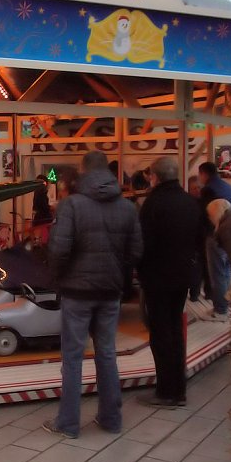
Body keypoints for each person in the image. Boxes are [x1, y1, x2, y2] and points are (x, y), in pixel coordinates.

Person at [44, 151, 143, 439]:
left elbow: (59, 250)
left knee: (73, 357)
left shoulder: (71, 205)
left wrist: (58, 279)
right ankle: (111, 419)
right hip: (110, 290)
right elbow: (136, 252)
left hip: (77, 291)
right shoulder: (127, 207)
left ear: (84, 171)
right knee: (107, 353)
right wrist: (116, 271)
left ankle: (69, 423)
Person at [137, 157, 202, 408]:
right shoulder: (189, 202)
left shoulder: (153, 204)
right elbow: (199, 241)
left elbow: (145, 243)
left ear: (155, 177)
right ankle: (179, 388)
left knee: (161, 333)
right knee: (175, 331)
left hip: (157, 277)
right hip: (182, 277)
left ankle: (166, 391)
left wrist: (138, 269)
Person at [198, 162, 231, 321]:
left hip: (215, 234)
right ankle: (226, 306)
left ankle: (221, 309)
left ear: (204, 174)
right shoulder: (229, 187)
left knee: (218, 273)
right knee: (226, 271)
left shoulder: (209, 190)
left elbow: (205, 215)